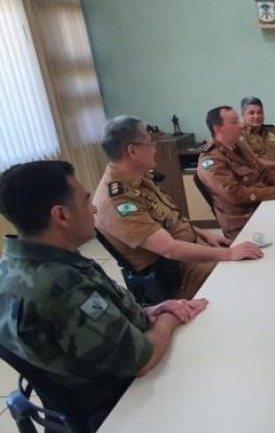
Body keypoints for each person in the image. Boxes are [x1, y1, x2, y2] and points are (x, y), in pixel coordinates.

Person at [0, 160, 208, 433]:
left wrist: (149, 311)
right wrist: (172, 316)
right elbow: (142, 359)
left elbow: (93, 319)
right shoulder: (60, 285)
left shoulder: (17, 267)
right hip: (117, 413)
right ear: (61, 215)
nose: (95, 209)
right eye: (85, 201)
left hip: (82, 394)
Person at [94, 116, 263, 300]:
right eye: (150, 143)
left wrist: (204, 234)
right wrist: (228, 254)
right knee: (249, 275)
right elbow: (169, 249)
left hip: (189, 252)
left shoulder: (137, 176)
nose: (154, 148)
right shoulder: (118, 200)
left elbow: (171, 220)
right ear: (133, 151)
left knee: (256, 257)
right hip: (177, 275)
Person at [198, 105, 275, 237]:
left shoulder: (239, 146)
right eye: (234, 122)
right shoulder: (211, 160)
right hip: (244, 219)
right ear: (218, 129)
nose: (241, 125)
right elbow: (235, 194)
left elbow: (264, 172)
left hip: (261, 205)